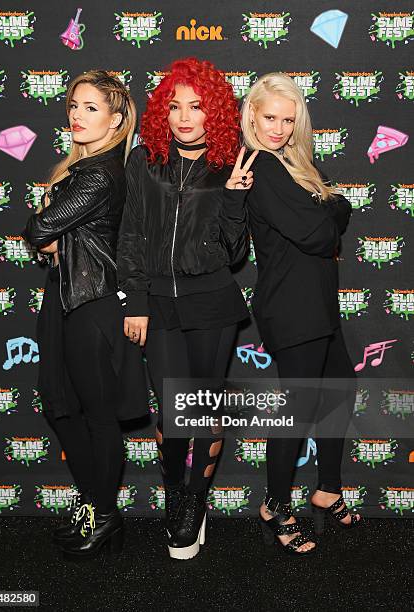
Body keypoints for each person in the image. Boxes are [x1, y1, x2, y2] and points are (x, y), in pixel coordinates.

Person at [117, 57, 257, 560]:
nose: (183, 116)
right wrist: (135, 300)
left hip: (213, 304)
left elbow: (236, 252)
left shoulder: (229, 164)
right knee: (174, 413)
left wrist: (236, 198)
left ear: (213, 112)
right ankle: (175, 491)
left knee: (203, 411)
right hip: (157, 304)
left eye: (195, 107)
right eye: (174, 106)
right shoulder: (144, 160)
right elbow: (130, 234)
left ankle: (195, 503)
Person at [23, 70, 148, 560]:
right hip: (65, 294)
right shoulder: (83, 168)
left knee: (97, 417)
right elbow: (50, 240)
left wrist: (48, 226)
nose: (77, 114)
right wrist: (53, 237)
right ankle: (95, 505)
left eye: (91, 108)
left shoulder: (98, 173)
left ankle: (105, 516)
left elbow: (38, 228)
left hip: (92, 303)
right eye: (74, 104)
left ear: (116, 119)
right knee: (58, 402)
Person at [242, 73, 360, 556]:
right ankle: (274, 505)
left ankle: (327, 489)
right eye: (270, 117)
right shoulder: (262, 166)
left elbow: (343, 209)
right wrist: (325, 214)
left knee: (340, 390)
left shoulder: (296, 161)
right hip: (290, 306)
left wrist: (325, 215)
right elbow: (318, 233)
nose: (279, 127)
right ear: (252, 115)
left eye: (288, 119)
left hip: (317, 303)